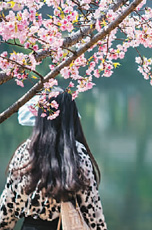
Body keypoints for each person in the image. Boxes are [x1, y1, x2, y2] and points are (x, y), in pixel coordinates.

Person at [0, 88, 107, 230]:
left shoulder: (25, 152)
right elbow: (92, 211)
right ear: (71, 116)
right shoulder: (76, 153)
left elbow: (7, 209)